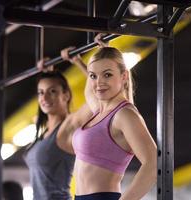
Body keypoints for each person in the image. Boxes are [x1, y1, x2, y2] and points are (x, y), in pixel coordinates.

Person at [58, 39, 157, 200]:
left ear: (124, 76)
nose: (99, 83)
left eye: (108, 75)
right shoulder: (99, 111)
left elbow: (153, 164)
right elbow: (91, 90)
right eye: (93, 76)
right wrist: (78, 60)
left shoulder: (124, 114)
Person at [23, 66, 90, 200]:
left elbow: (98, 93)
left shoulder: (69, 126)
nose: (45, 97)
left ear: (66, 95)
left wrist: (76, 61)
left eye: (52, 91)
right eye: (40, 92)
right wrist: (41, 69)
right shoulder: (43, 130)